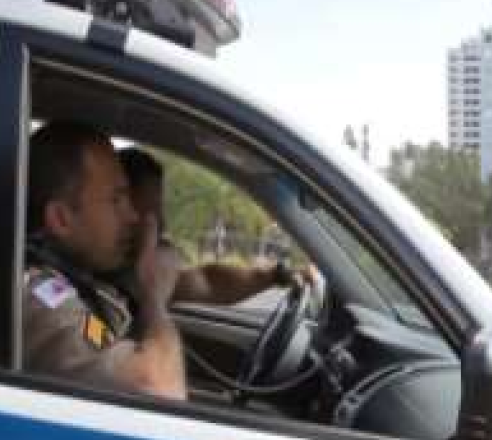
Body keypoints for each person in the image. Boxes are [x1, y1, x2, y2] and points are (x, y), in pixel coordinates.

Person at [22, 122, 186, 400]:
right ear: (61, 219)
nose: (133, 216)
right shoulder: (41, 297)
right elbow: (160, 388)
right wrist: (155, 297)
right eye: (116, 200)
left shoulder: (85, 276)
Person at [116, 147, 299, 310]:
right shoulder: (102, 298)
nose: (161, 227)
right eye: (149, 215)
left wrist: (274, 275)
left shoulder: (139, 271)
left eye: (160, 211)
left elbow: (209, 283)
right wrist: (153, 302)